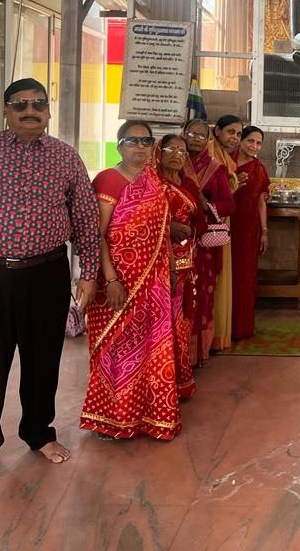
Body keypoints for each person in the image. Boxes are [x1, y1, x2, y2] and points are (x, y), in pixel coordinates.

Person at [0, 78, 99, 479]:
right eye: (20, 104)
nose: (30, 111)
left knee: (44, 357)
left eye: (38, 104)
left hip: (47, 273)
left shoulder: (65, 157)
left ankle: (39, 433)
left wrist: (89, 272)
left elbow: (85, 218)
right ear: (6, 110)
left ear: (48, 111)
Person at [79, 122, 182, 440]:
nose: (140, 147)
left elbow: (163, 230)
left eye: (146, 141)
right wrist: (111, 279)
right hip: (118, 283)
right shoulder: (107, 179)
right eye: (132, 141)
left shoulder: (156, 181)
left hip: (155, 281)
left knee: (153, 350)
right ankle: (112, 419)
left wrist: (171, 270)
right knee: (117, 350)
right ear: (119, 146)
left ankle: (151, 418)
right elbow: (97, 234)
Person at [184, 118, 236, 362]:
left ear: (208, 140)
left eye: (201, 135)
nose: (196, 139)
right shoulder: (171, 162)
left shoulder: (215, 168)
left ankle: (198, 352)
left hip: (202, 242)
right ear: (183, 134)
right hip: (172, 239)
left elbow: (229, 204)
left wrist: (207, 205)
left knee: (201, 295)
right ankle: (174, 351)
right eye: (191, 134)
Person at [156, 134, 203, 400]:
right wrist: (168, 227)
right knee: (165, 322)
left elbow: (198, 218)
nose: (177, 155)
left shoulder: (186, 184)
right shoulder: (153, 184)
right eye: (171, 149)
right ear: (159, 152)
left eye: (182, 151)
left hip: (187, 260)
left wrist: (189, 231)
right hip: (160, 261)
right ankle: (162, 382)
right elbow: (140, 219)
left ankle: (181, 379)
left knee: (182, 322)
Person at [230, 125, 270, 340]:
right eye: (250, 141)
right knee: (225, 275)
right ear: (240, 141)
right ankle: (223, 328)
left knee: (245, 277)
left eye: (258, 143)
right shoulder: (226, 163)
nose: (254, 146)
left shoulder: (259, 168)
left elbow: (261, 202)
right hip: (226, 223)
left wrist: (264, 231)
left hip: (248, 229)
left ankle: (241, 327)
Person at [209, 114, 243, 350]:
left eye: (238, 134)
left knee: (221, 273)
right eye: (230, 132)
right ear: (217, 131)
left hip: (222, 218)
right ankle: (211, 336)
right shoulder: (210, 153)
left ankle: (219, 334)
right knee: (213, 274)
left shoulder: (225, 157)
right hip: (210, 219)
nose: (235, 138)